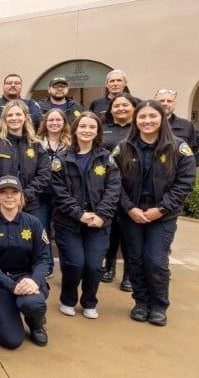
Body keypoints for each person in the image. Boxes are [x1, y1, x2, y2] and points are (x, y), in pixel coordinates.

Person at [112, 100, 196, 326]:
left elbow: (185, 183)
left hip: (162, 215)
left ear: (162, 118)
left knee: (156, 261)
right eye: (142, 117)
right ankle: (141, 302)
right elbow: (114, 182)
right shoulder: (123, 147)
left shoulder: (178, 148)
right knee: (136, 260)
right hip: (132, 214)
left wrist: (161, 209)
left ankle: (159, 305)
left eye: (152, 116)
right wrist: (129, 208)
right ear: (135, 120)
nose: (147, 121)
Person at [50, 113, 121, 319]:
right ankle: (68, 299)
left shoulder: (106, 158)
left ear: (97, 131)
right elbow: (59, 191)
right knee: (75, 264)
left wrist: (101, 215)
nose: (87, 130)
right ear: (75, 129)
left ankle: (90, 301)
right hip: (69, 222)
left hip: (99, 223)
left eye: (92, 127)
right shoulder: (62, 158)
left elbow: (113, 190)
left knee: (93, 266)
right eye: (83, 126)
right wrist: (79, 214)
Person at [0, 176, 52, 349]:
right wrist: (11, 286)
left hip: (25, 279)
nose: (9, 196)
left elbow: (44, 258)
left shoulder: (33, 223)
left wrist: (34, 280)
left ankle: (36, 325)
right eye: (4, 192)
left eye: (14, 192)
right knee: (12, 341)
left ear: (21, 196)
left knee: (34, 303)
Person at [0, 100, 51, 217]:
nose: (14, 118)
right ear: (4, 119)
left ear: (25, 118)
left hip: (28, 205)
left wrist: (24, 195)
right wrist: (7, 193)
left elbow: (44, 175)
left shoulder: (36, 145)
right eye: (10, 115)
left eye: (18, 114)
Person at [100, 93, 140, 291]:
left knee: (129, 234)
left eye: (125, 105)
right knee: (111, 232)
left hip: (131, 188)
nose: (121, 108)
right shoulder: (104, 128)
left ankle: (129, 275)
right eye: (117, 106)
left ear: (134, 108)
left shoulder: (138, 129)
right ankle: (109, 267)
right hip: (106, 187)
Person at [33, 108, 72, 236]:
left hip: (63, 195)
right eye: (51, 120)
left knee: (63, 232)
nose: (54, 123)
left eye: (58, 119)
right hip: (41, 194)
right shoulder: (35, 142)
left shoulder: (71, 144)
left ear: (64, 122)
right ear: (45, 122)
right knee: (41, 231)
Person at [155, 88, 199, 167]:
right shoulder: (146, 125)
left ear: (174, 104)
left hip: (178, 175)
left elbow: (195, 156)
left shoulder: (187, 127)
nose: (165, 103)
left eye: (169, 101)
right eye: (161, 101)